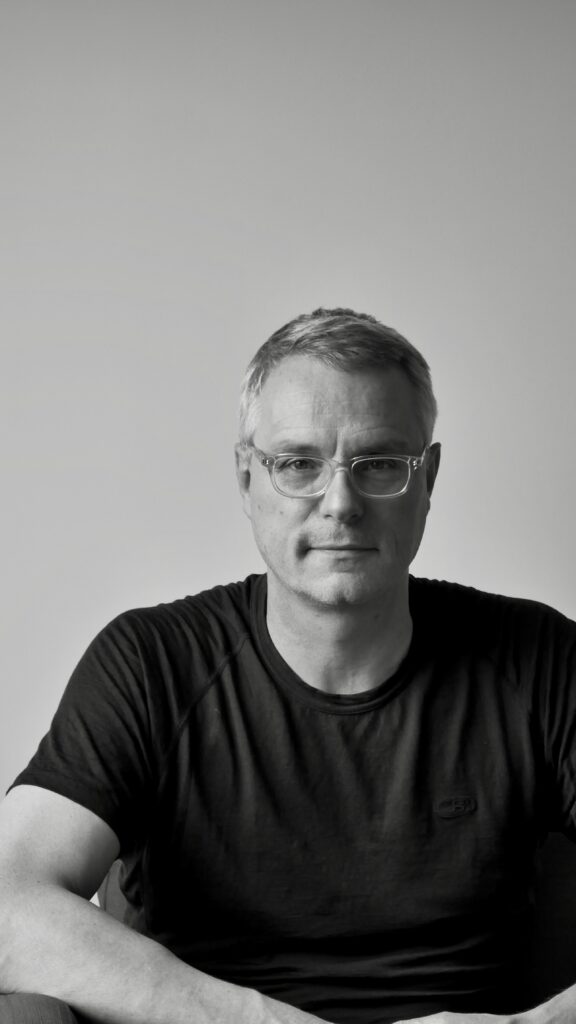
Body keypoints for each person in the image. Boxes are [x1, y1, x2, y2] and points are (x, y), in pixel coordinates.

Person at [0, 307, 575, 1024]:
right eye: (298, 464)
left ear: (427, 479)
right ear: (247, 479)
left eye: (380, 466)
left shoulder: (540, 659)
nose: (340, 504)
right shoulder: (151, 664)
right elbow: (6, 904)